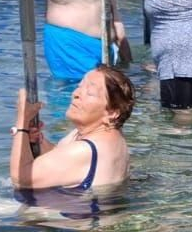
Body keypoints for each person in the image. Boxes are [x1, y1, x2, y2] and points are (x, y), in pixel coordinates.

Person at [9, 65, 134, 213]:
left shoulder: (86, 149)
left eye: (90, 92)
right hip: (80, 214)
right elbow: (62, 156)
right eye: (79, 86)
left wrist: (21, 123)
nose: (76, 93)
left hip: (77, 229)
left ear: (112, 112)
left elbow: (21, 179)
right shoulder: (109, 135)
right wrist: (38, 141)